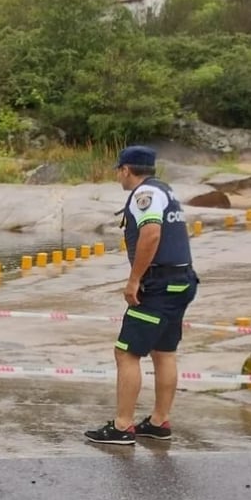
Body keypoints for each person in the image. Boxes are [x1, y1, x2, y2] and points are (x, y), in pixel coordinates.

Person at [85, 145, 199, 445]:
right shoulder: (166, 190)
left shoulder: (142, 195)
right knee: (164, 352)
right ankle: (159, 422)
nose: (118, 176)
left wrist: (134, 280)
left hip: (158, 285)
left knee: (126, 352)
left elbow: (151, 234)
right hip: (181, 281)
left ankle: (122, 426)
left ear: (126, 169)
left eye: (119, 171)